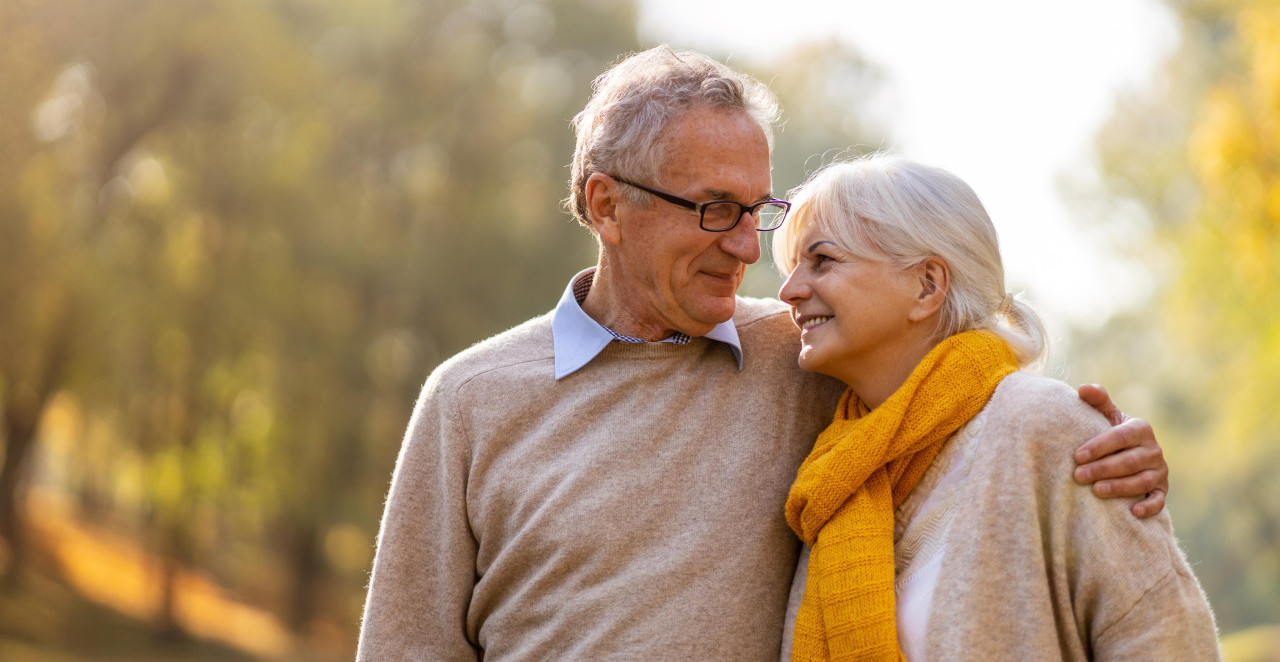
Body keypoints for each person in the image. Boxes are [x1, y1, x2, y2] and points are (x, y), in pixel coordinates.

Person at [357, 47, 1170, 661]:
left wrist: (1108, 456)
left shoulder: (808, 357)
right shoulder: (470, 399)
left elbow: (957, 392)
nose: (750, 248)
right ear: (607, 205)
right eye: (714, 209)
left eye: (759, 209)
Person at [774, 155, 1218, 661]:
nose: (789, 291)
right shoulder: (834, 476)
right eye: (792, 269)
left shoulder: (1044, 427)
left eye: (823, 260)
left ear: (927, 286)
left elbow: (1165, 638)